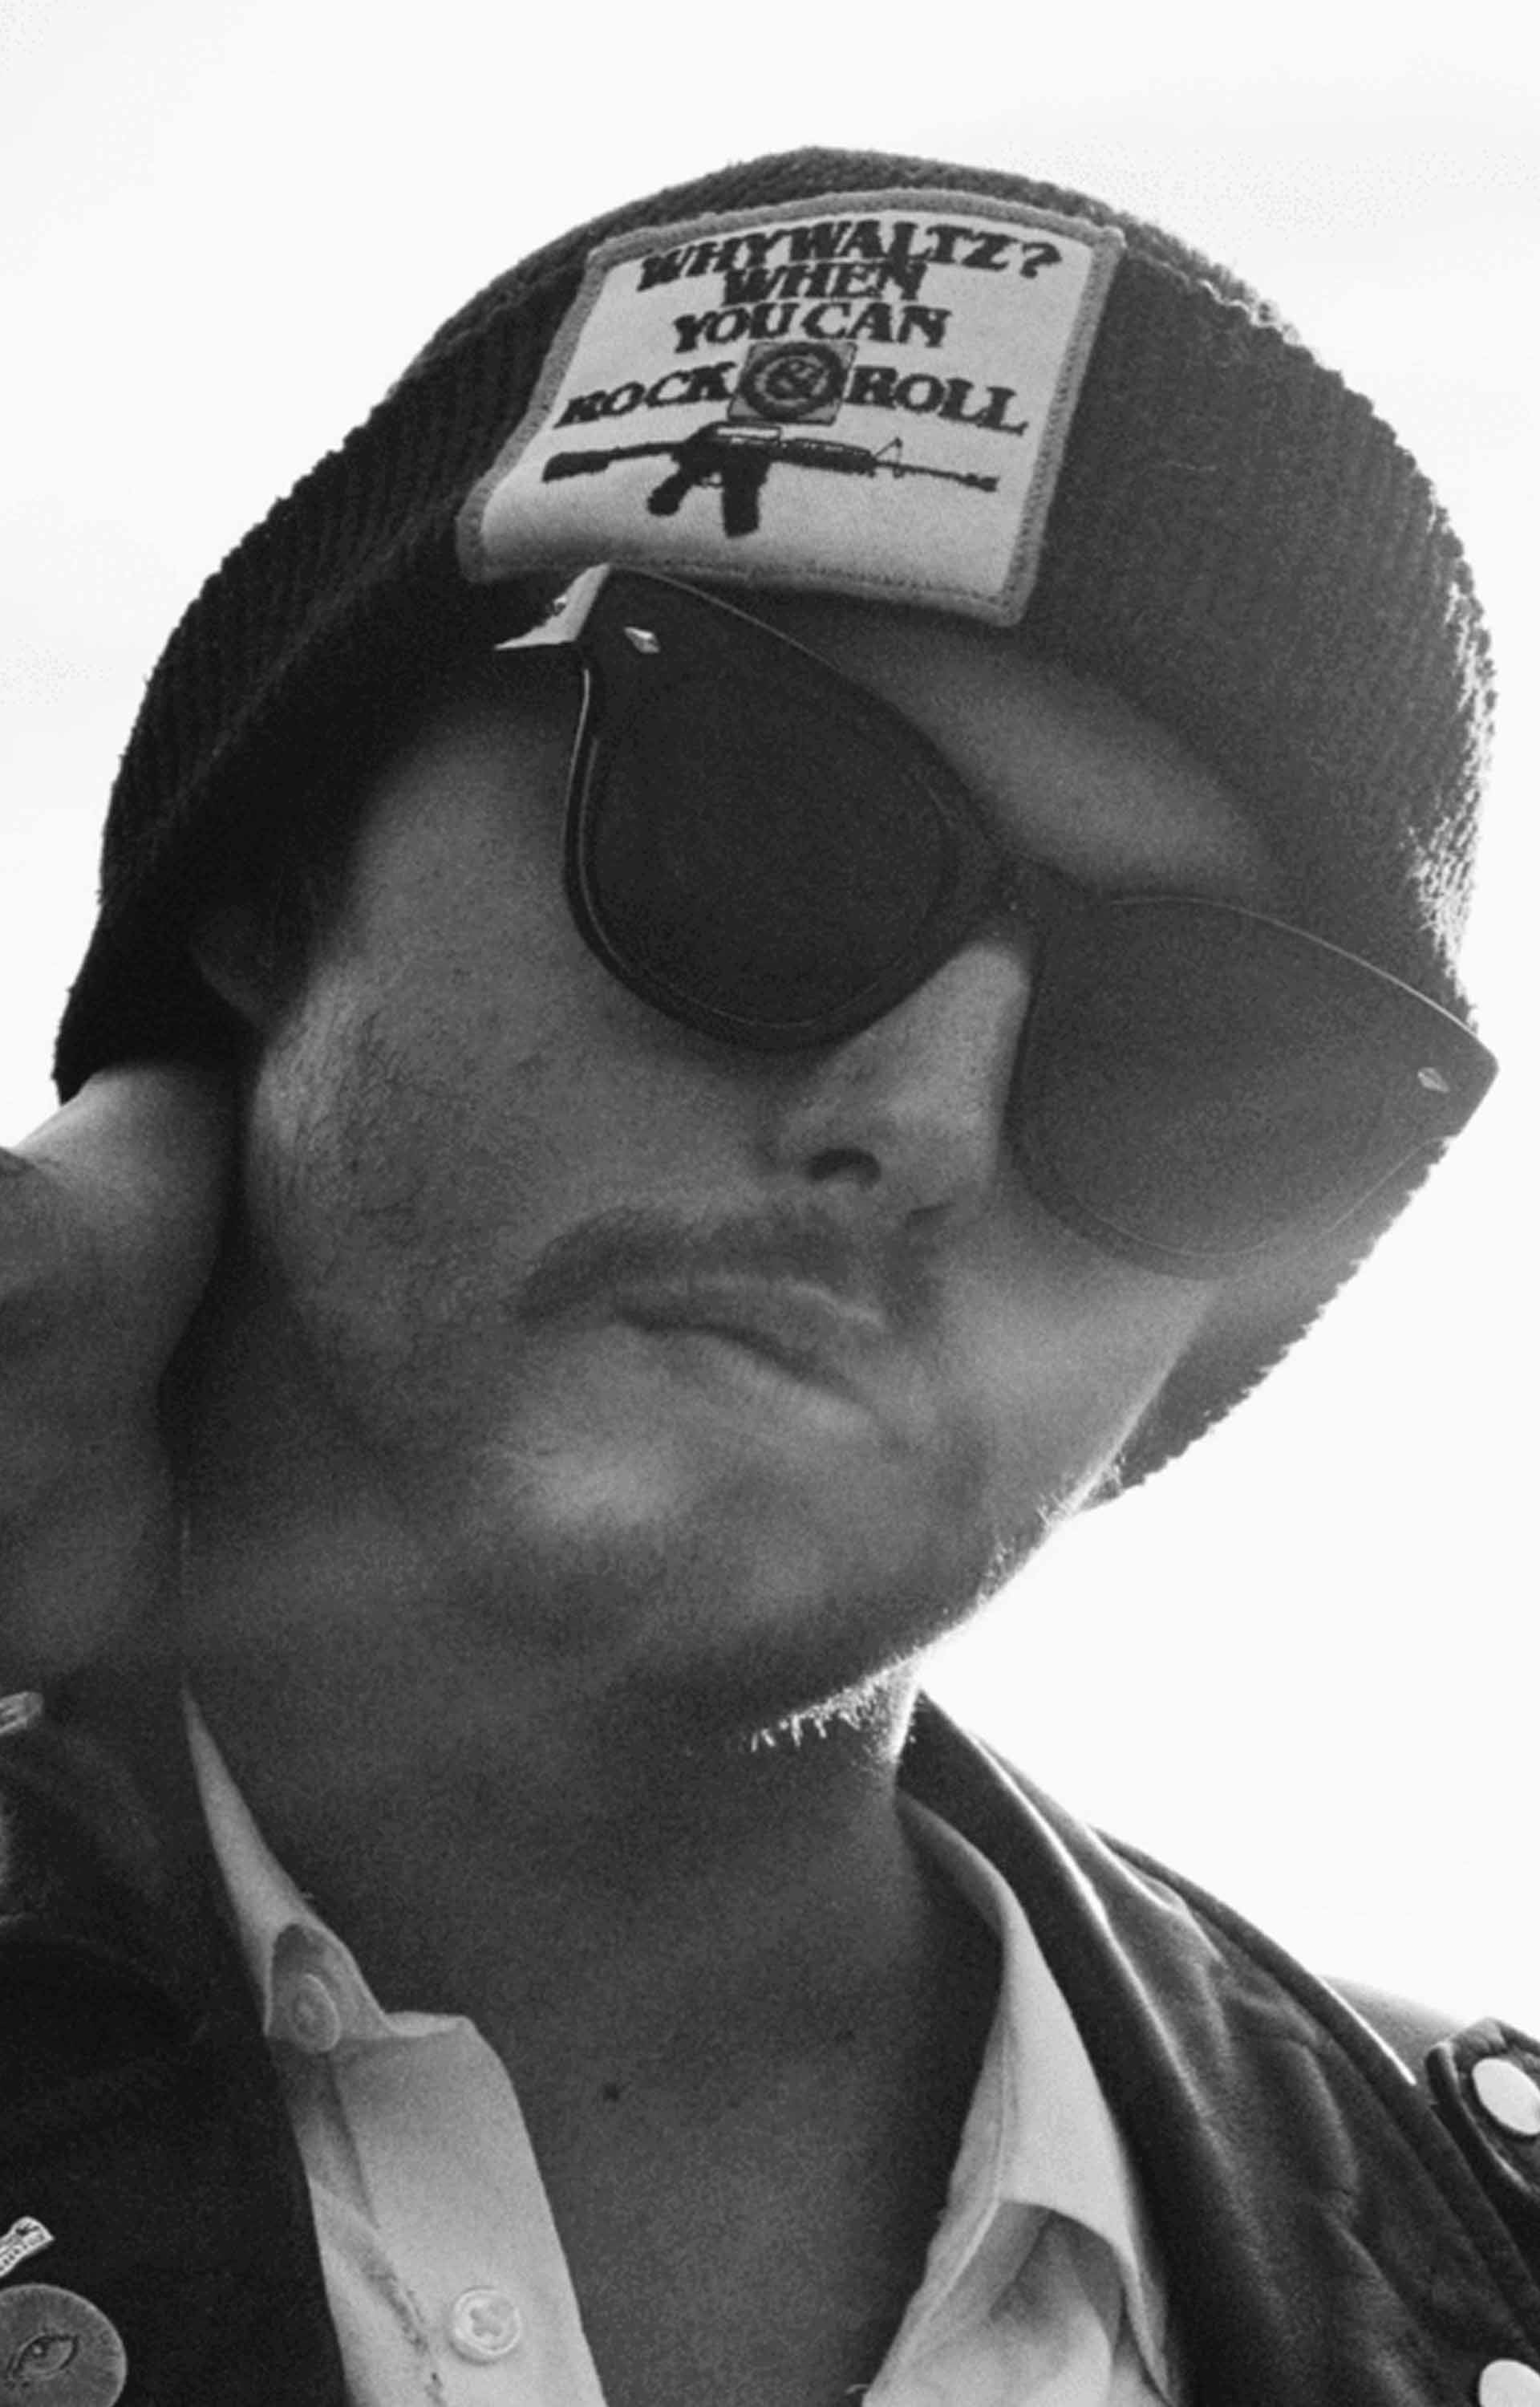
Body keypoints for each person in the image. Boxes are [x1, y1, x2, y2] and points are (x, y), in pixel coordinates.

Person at [0, 144, 1534, 2407]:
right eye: (761, 820)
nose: (924, 1124)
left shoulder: (1478, 2284)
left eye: (1196, 1055)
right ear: (281, 872)